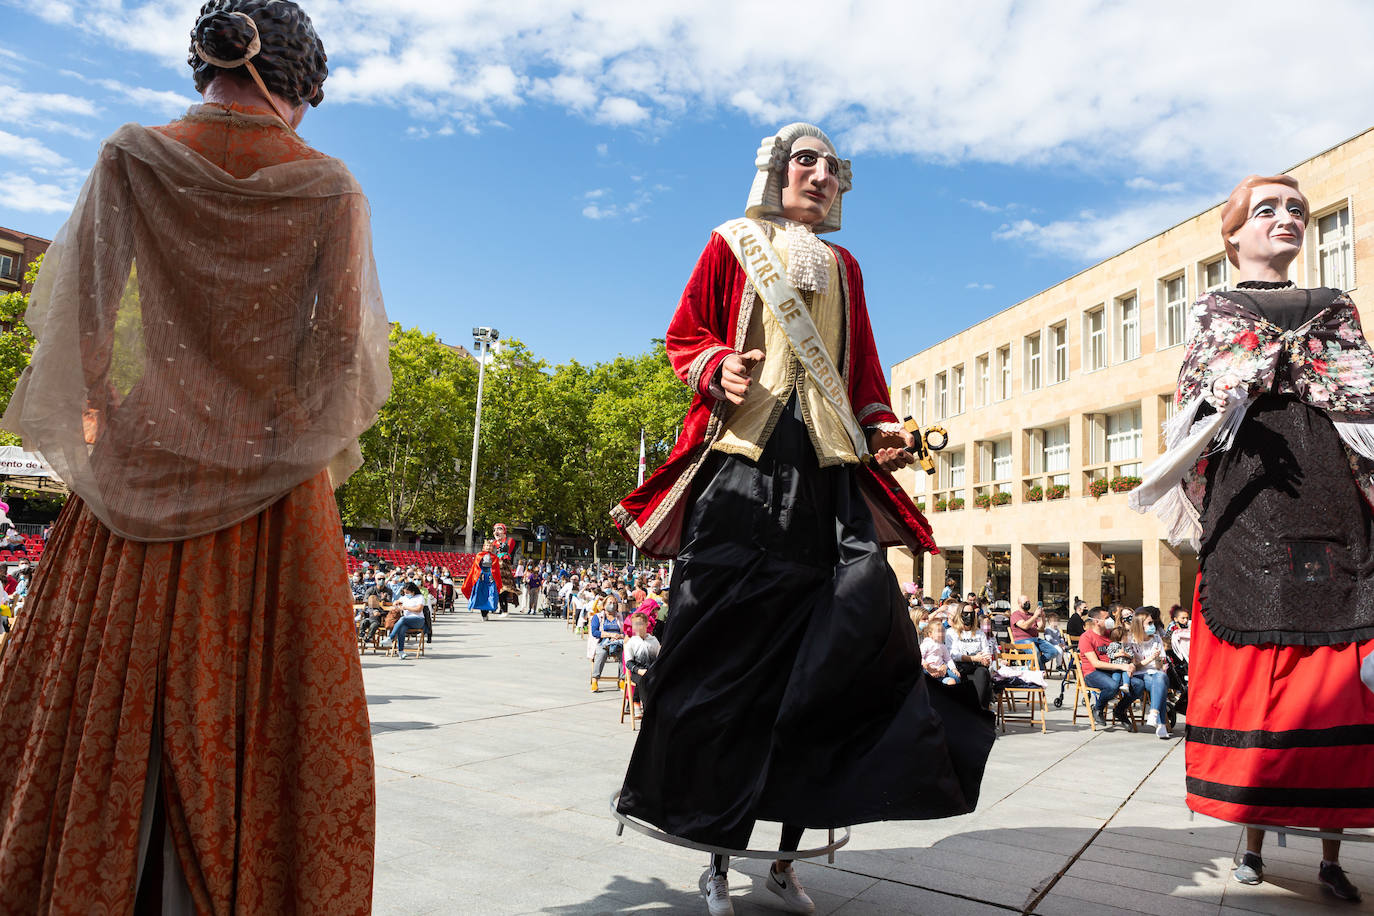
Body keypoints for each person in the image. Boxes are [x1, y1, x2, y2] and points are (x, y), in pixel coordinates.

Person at [0, 2, 388, 910]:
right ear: (295, 82)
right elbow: (339, 359)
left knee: (94, 708)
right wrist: (269, 428)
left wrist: (114, 417)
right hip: (273, 493)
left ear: (204, 63)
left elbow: (79, 331)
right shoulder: (330, 187)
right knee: (275, 722)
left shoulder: (132, 156)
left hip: (137, 476)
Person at [612, 122, 993, 916]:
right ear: (774, 172)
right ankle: (717, 855)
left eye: (833, 167)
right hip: (744, 472)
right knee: (726, 665)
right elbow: (686, 335)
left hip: (825, 477)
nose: (821, 176)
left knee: (848, 650)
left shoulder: (847, 266)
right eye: (805, 161)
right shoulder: (730, 242)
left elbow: (864, 372)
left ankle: (786, 856)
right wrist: (718, 367)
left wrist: (882, 426)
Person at [1131, 174, 1370, 900]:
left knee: (1339, 669)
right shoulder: (1214, 309)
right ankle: (1252, 841)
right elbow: (1197, 405)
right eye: (1266, 209)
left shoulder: (1337, 308)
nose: (1287, 218)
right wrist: (1263, 374)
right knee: (1257, 661)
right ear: (1232, 235)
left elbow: (1362, 399)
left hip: (1330, 492)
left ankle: (1333, 858)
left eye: (1297, 209)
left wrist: (1286, 371)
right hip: (1252, 494)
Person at [1077, 606, 1145, 731]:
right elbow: (1096, 663)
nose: (1110, 620)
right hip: (1093, 673)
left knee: (1139, 684)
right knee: (1112, 686)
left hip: (1113, 672)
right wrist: (1122, 666)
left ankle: (1119, 710)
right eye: (1107, 618)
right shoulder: (1086, 637)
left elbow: (1127, 646)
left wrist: (1130, 664)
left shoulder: (1112, 635)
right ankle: (1098, 708)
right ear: (1096, 621)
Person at [1125, 612, 1170, 739]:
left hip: (1154, 674)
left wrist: (1157, 659)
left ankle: (1154, 713)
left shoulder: (1156, 638)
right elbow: (1133, 666)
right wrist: (1151, 658)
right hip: (1138, 675)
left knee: (1160, 678)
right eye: (1149, 623)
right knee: (1159, 684)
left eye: (1153, 623)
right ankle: (1161, 724)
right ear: (1140, 625)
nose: (1153, 626)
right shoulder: (1130, 640)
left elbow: (1160, 666)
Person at [946, 604, 996, 709]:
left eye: (971, 613)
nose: (969, 616)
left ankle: (977, 709)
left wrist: (986, 660)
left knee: (983, 673)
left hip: (978, 666)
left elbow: (986, 651)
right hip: (960, 668)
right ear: (960, 614)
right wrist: (972, 658)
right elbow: (953, 654)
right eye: (966, 613)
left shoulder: (979, 633)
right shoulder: (951, 632)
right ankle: (975, 710)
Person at [1010, 594, 1062, 670]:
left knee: (1054, 651)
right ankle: (1038, 669)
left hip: (1035, 639)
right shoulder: (1015, 614)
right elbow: (1024, 626)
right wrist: (1035, 616)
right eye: (1025, 602)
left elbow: (1041, 627)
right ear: (1019, 604)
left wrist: (1043, 616)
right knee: (1036, 652)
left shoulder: (1031, 615)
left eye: (1029, 602)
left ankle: (1034, 664)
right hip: (1021, 640)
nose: (1028, 603)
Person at [624, 611, 661, 709]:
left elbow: (659, 658)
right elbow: (628, 662)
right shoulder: (632, 642)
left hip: (652, 670)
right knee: (643, 680)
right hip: (638, 672)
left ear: (646, 624)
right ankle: (646, 707)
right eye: (634, 624)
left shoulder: (653, 640)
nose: (637, 626)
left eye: (639, 623)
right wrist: (638, 670)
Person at [380, 583, 426, 658]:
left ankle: (390, 638)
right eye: (405, 592)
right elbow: (396, 602)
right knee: (402, 629)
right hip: (407, 622)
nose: (406, 594)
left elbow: (419, 609)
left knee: (403, 618)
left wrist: (406, 607)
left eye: (407, 592)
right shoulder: (404, 598)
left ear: (413, 591)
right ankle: (401, 652)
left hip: (418, 620)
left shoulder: (419, 597)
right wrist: (396, 604)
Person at [462, 540, 503, 621]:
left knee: (489, 595)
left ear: (492, 548)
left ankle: (487, 611)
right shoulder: (479, 555)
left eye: (490, 546)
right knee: (481, 596)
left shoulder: (495, 557)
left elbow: (496, 569)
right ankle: (483, 613)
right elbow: (476, 568)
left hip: (490, 579)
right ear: (484, 547)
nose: (488, 547)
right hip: (481, 578)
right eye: (487, 546)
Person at [589, 601, 624, 691]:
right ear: (604, 605)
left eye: (614, 603)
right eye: (609, 602)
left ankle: (622, 679)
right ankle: (595, 679)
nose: (612, 605)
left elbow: (625, 631)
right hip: (602, 642)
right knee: (601, 653)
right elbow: (595, 632)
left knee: (624, 654)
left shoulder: (620, 616)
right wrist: (610, 635)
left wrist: (618, 636)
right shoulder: (597, 617)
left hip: (618, 641)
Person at [920, 619, 958, 686]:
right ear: (930, 634)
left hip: (941, 671)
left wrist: (953, 668)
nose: (942, 634)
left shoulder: (942, 645)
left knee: (955, 679)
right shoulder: (926, 644)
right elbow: (920, 657)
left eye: (943, 631)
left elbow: (948, 658)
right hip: (928, 670)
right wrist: (927, 666)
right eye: (939, 632)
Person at [491, 523, 519, 614]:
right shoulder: (493, 543)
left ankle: (504, 608)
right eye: (495, 530)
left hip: (504, 568)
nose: (496, 532)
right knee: (496, 589)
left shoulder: (509, 540)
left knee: (505, 589)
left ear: (504, 531)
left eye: (499, 529)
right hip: (495, 569)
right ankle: (497, 607)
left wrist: (499, 542)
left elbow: (506, 551)